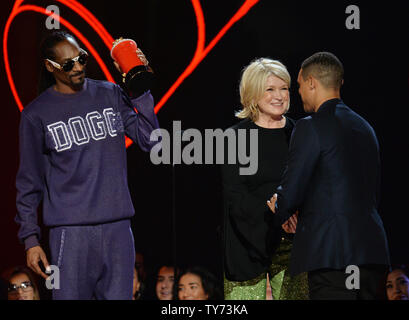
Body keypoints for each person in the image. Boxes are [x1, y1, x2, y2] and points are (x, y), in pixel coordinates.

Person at [15, 30, 160, 300]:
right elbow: (28, 182)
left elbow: (152, 142)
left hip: (118, 230)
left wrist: (140, 90)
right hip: (70, 235)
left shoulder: (110, 94)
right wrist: (31, 239)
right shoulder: (36, 115)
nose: (79, 67)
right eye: (68, 64)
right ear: (50, 66)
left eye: (81, 58)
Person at [267, 52, 390, 300]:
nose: (299, 93)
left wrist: (279, 205)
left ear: (311, 82)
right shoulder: (366, 127)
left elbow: (291, 191)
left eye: (299, 86)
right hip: (373, 256)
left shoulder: (309, 126)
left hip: (333, 258)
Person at [221, 58, 308, 300]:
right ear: (252, 94)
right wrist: (276, 213)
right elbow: (236, 197)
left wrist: (299, 215)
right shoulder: (233, 138)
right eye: (270, 89)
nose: (279, 96)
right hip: (246, 245)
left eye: (284, 88)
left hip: (292, 245)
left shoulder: (300, 133)